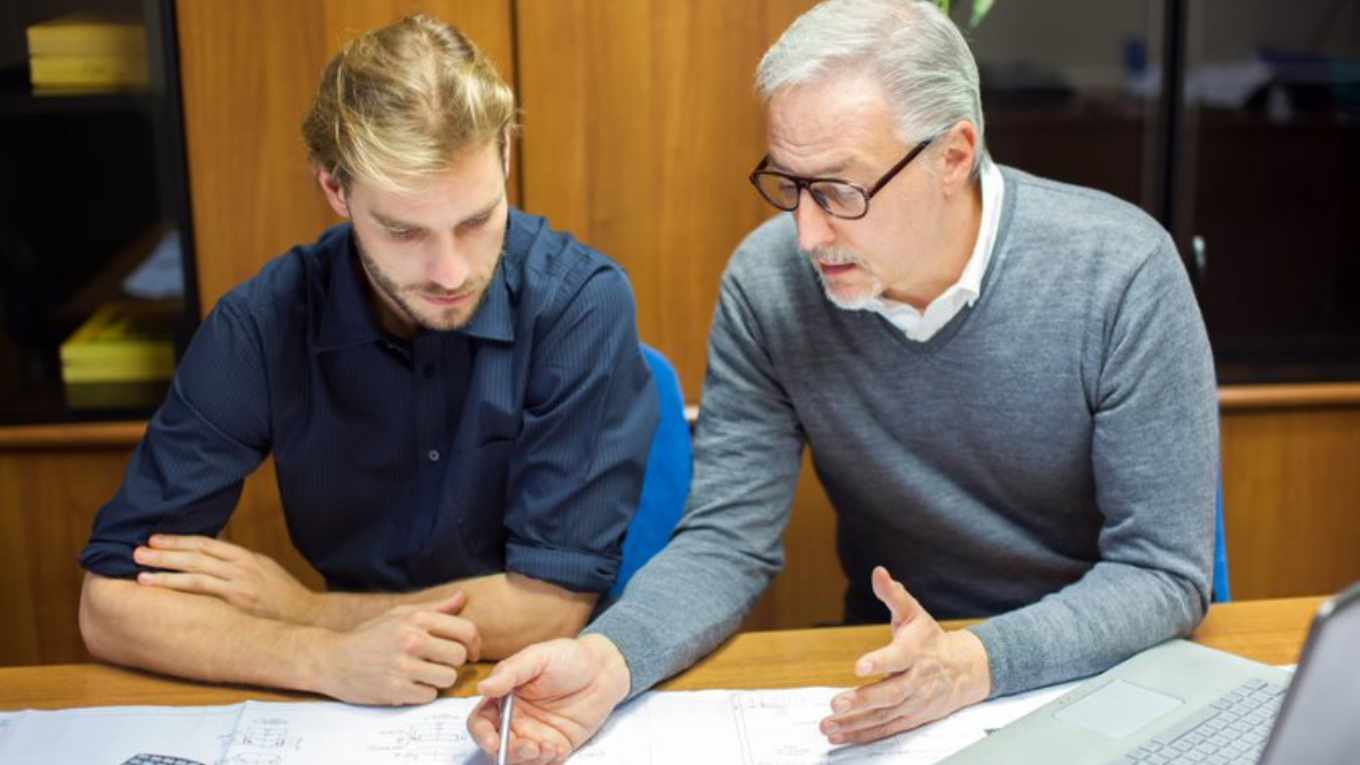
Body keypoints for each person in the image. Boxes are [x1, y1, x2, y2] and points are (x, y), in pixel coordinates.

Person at [465, 0, 1218, 760]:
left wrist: (973, 662)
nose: (806, 233)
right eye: (788, 185)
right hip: (892, 676)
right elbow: (727, 540)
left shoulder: (1120, 273)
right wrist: (607, 660)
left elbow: (1160, 571)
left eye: (839, 191)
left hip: (1102, 678)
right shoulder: (770, 285)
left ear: (953, 155)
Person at [77, 14, 657, 706]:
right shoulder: (262, 324)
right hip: (349, 698)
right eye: (404, 230)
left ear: (505, 156)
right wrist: (321, 658)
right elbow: (108, 604)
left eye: (476, 221)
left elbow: (547, 609)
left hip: (546, 690)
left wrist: (304, 610)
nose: (450, 271)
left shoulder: (579, 304)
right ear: (335, 189)